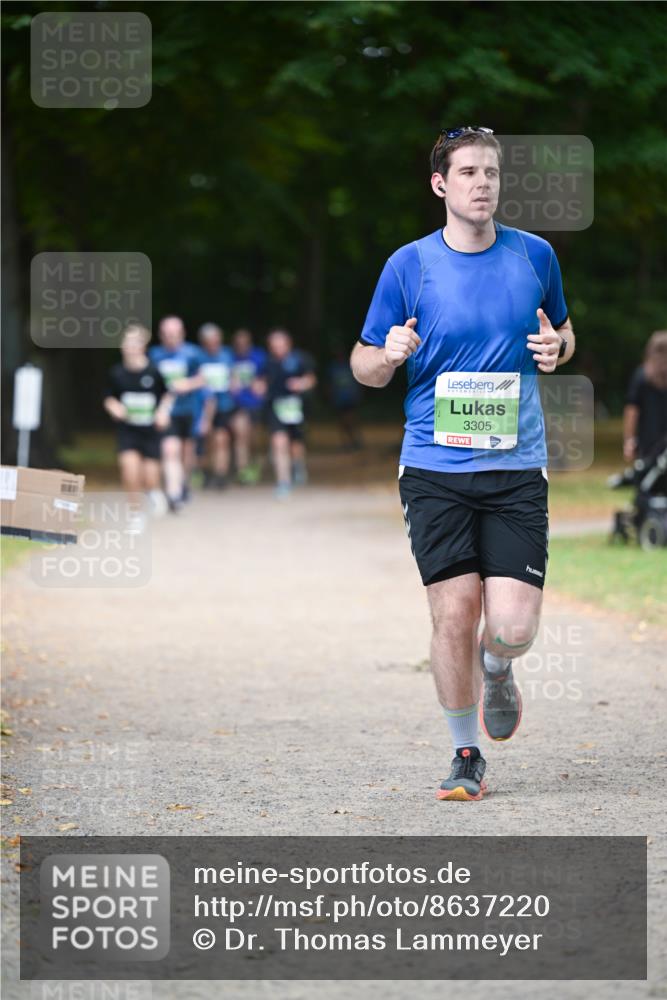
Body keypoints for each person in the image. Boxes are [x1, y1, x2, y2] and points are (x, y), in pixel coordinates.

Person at [351, 126, 575, 801]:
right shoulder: (408, 266)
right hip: (433, 468)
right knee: (452, 614)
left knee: (510, 628)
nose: (483, 183)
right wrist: (387, 355)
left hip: (515, 467)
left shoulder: (534, 255)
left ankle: (497, 668)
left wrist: (557, 349)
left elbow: (562, 330)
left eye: (492, 173)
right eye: (469, 172)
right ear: (440, 184)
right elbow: (362, 366)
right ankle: (464, 752)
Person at [103, 324, 173, 530]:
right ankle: (135, 514)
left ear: (143, 346)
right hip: (128, 431)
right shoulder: (117, 373)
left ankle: (153, 492)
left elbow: (167, 395)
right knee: (129, 470)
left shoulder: (154, 371)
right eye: (127, 343)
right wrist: (114, 407)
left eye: (136, 343)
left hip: (150, 431)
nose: (131, 347)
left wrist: (162, 413)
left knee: (150, 477)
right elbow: (108, 397)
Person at [148, 316, 204, 511]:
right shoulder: (154, 355)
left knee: (187, 453)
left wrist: (188, 384)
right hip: (167, 411)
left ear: (182, 333)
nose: (171, 337)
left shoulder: (193, 353)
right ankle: (174, 493)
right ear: (161, 335)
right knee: (170, 450)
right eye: (167, 334)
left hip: (189, 410)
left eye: (174, 334)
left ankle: (183, 483)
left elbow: (203, 378)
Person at [263, 328, 317, 499]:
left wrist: (301, 383)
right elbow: (260, 381)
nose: (277, 349)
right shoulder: (267, 362)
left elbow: (311, 379)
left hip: (296, 407)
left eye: (280, 345)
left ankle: (297, 465)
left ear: (288, 344)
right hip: (275, 407)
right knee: (279, 442)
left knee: (296, 444)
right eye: (274, 346)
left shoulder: (300, 359)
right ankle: (283, 482)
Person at [196, 323, 236, 489]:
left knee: (221, 440)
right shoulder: (198, 357)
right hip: (202, 406)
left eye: (216, 340)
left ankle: (221, 475)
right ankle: (205, 471)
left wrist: (234, 384)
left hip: (223, 405)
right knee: (206, 440)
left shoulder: (227, 355)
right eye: (209, 341)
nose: (213, 344)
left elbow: (233, 376)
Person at [623, 330, 667, 463]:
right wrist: (629, 440)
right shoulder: (642, 377)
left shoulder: (641, 375)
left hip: (648, 443)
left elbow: (632, 410)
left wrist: (629, 440)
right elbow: (632, 409)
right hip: (650, 443)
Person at [230, 328, 267, 484]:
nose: (242, 345)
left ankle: (255, 463)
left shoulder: (259, 356)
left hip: (255, 404)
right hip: (238, 404)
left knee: (254, 439)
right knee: (241, 436)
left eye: (244, 342)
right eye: (239, 343)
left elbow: (267, 375)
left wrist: (262, 384)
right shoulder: (230, 358)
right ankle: (242, 470)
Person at [327, 347, 364, 450]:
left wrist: (359, 394)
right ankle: (347, 443)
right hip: (339, 398)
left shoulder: (350, 366)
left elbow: (359, 380)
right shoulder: (333, 368)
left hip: (350, 397)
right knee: (342, 422)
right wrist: (330, 396)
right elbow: (329, 384)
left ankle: (355, 440)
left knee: (351, 419)